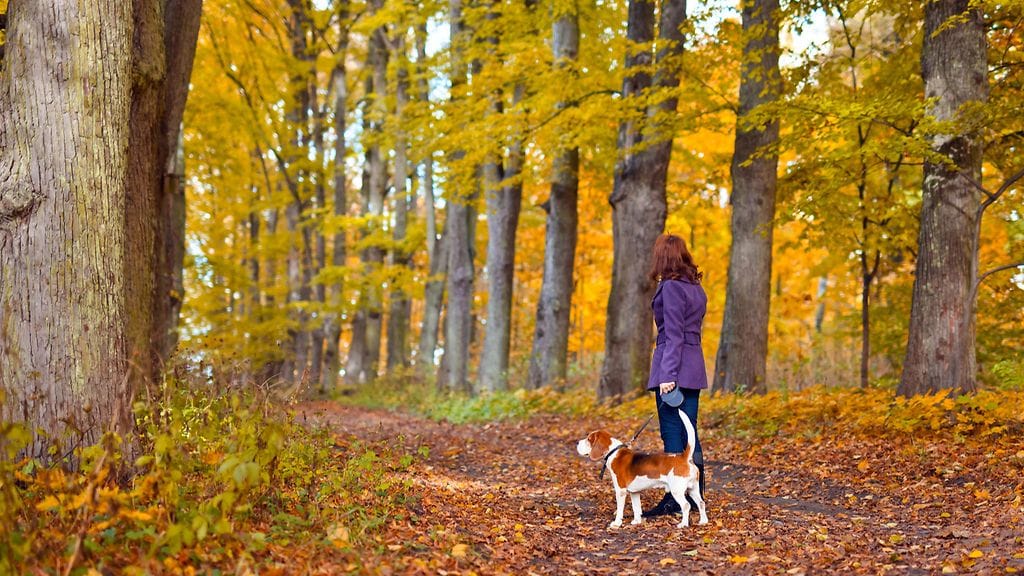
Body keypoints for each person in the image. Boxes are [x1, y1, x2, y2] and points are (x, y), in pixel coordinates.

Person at [642, 233, 708, 518]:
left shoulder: (670, 287)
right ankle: (696, 495)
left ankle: (674, 499)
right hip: (692, 365)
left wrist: (668, 374)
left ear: (663, 257)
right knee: (689, 432)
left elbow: (674, 333)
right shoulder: (695, 287)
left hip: (673, 365)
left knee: (672, 434)